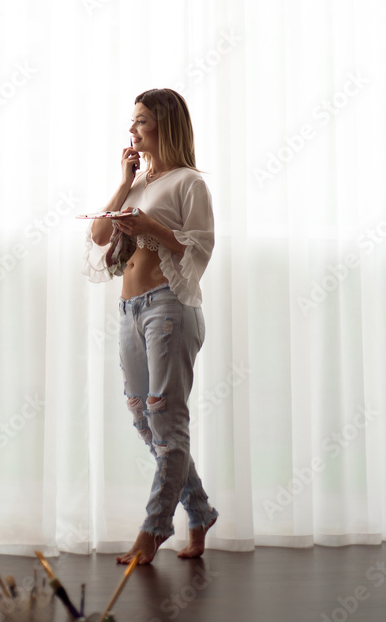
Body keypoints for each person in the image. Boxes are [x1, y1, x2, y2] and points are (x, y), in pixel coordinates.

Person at [82, 88, 218, 565]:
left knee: (167, 417)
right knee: (144, 418)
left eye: (141, 120)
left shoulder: (189, 183)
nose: (132, 129)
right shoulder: (139, 183)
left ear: (165, 125)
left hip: (169, 307)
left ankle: (153, 530)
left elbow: (199, 245)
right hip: (130, 310)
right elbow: (99, 235)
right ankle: (199, 511)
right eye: (133, 121)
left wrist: (149, 227)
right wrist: (124, 183)